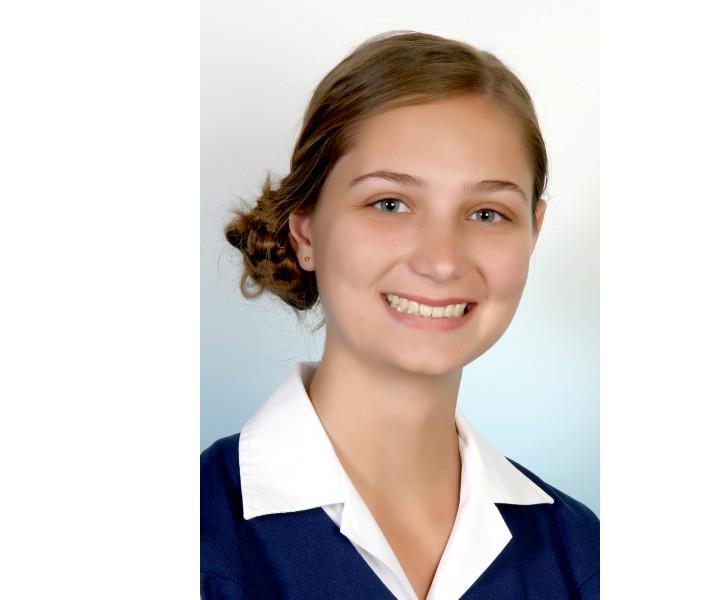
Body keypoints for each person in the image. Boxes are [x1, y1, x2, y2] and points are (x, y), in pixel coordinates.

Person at [201, 30, 599, 599]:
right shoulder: (202, 541)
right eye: (389, 204)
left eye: (487, 213)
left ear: (533, 232)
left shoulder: (584, 557)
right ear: (306, 230)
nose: (442, 260)